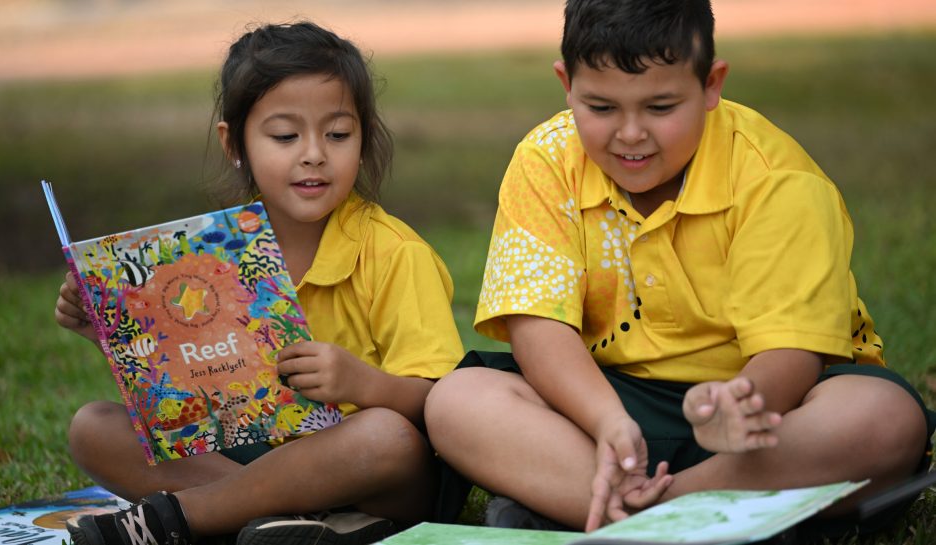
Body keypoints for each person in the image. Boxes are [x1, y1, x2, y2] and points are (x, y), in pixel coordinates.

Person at [423, 0, 936, 539]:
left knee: (883, 418)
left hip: (761, 416)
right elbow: (539, 330)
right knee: (458, 402)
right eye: (600, 107)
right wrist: (606, 421)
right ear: (565, 84)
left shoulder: (775, 178)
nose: (630, 134)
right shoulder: (545, 160)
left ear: (711, 84)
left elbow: (791, 351)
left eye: (661, 108)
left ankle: (630, 510)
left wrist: (739, 403)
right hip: (604, 404)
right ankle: (708, 518)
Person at [54, 21, 464, 545]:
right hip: (252, 452)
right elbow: (186, 396)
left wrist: (363, 384)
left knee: (386, 439)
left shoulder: (394, 254)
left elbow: (444, 403)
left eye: (338, 134)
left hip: (372, 471)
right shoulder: (213, 251)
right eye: (285, 136)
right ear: (235, 143)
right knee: (92, 428)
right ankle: (285, 520)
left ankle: (184, 519)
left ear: (363, 137)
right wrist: (112, 333)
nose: (314, 153)